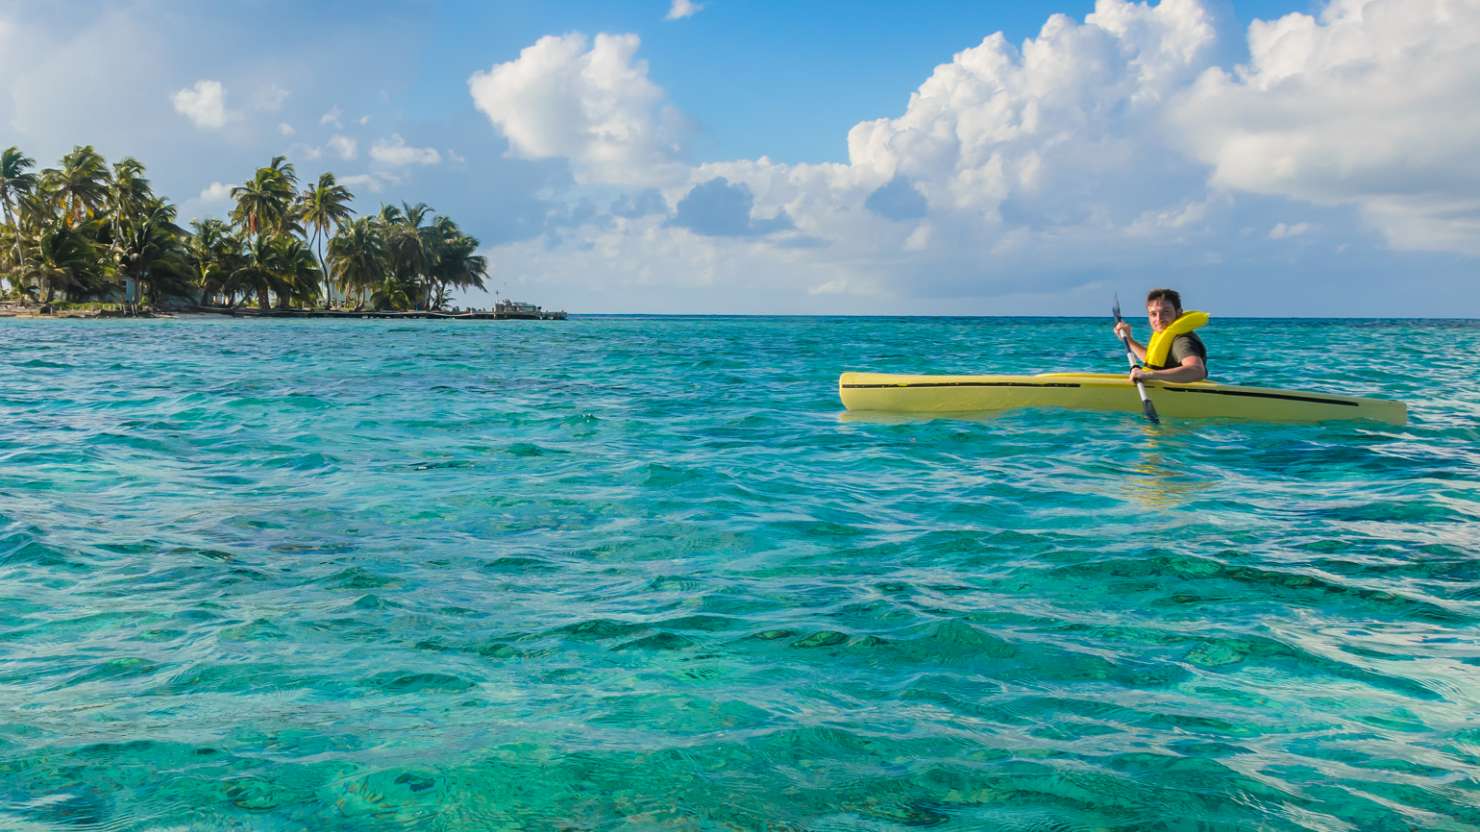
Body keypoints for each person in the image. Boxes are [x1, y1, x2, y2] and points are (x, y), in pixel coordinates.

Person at [1112, 288, 1207, 384]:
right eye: (1153, 314)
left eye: (1165, 312)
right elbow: (1152, 359)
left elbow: (1197, 371)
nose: (1159, 319)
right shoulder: (1165, 334)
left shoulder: (1182, 341)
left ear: (1178, 313)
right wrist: (1129, 340)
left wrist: (1149, 375)